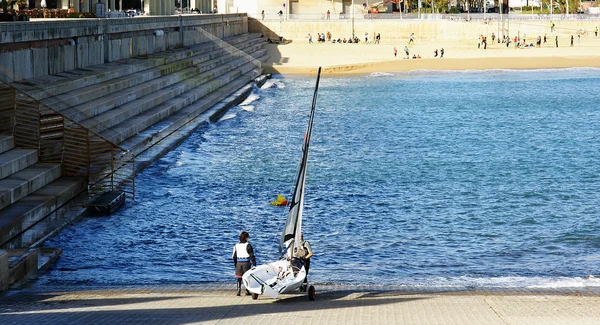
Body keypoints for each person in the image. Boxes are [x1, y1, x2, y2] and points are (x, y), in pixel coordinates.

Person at [232, 231, 256, 296]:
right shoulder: (248, 245)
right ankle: (247, 290)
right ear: (246, 238)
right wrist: (254, 264)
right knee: (247, 277)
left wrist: (235, 264)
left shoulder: (236, 245)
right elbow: (252, 256)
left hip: (239, 263)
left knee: (239, 278)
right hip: (246, 263)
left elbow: (234, 256)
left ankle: (238, 290)